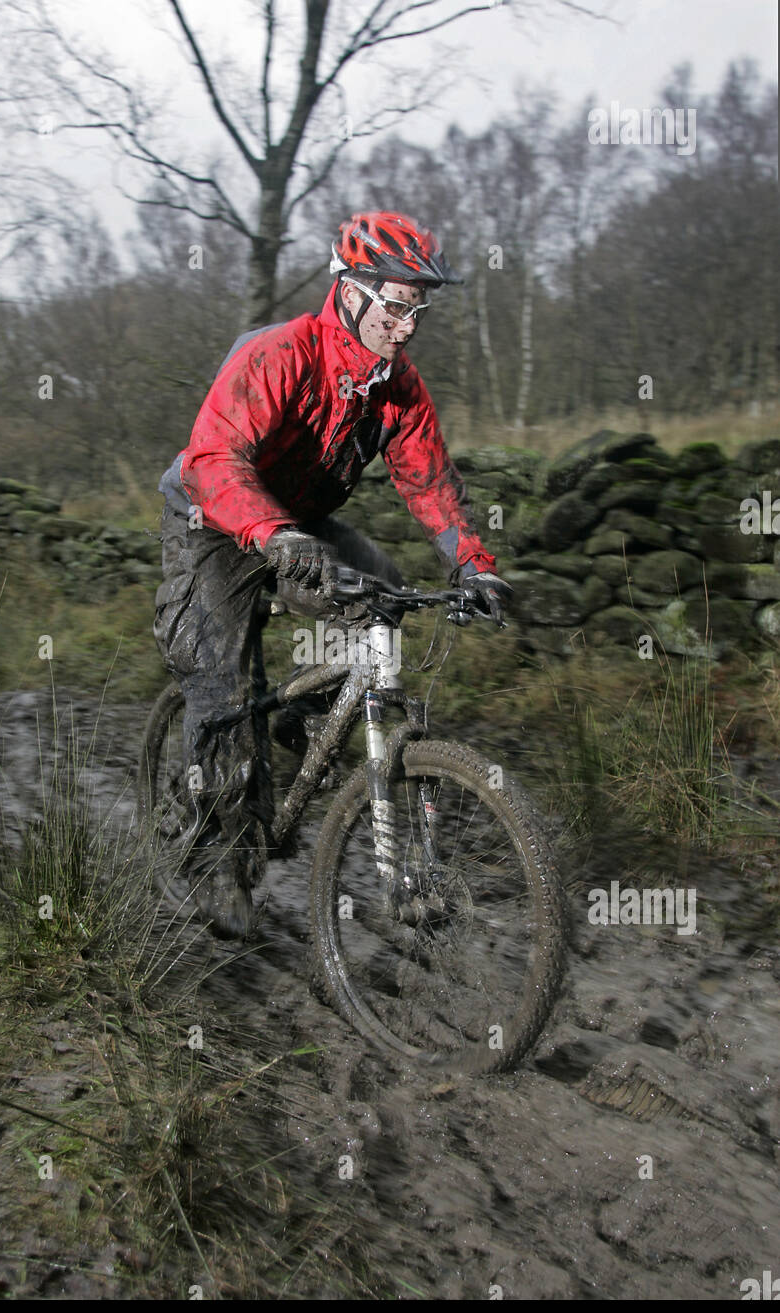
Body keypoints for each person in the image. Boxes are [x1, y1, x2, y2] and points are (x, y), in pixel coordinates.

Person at [153, 210, 512, 938]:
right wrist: (274, 534)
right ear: (349, 291)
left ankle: (305, 720)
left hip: (301, 522)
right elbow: (215, 460)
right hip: (214, 519)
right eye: (395, 304)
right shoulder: (282, 352)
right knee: (222, 685)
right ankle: (216, 861)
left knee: (382, 594)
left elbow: (431, 482)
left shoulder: (397, 388)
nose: (407, 324)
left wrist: (476, 567)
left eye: (419, 307)